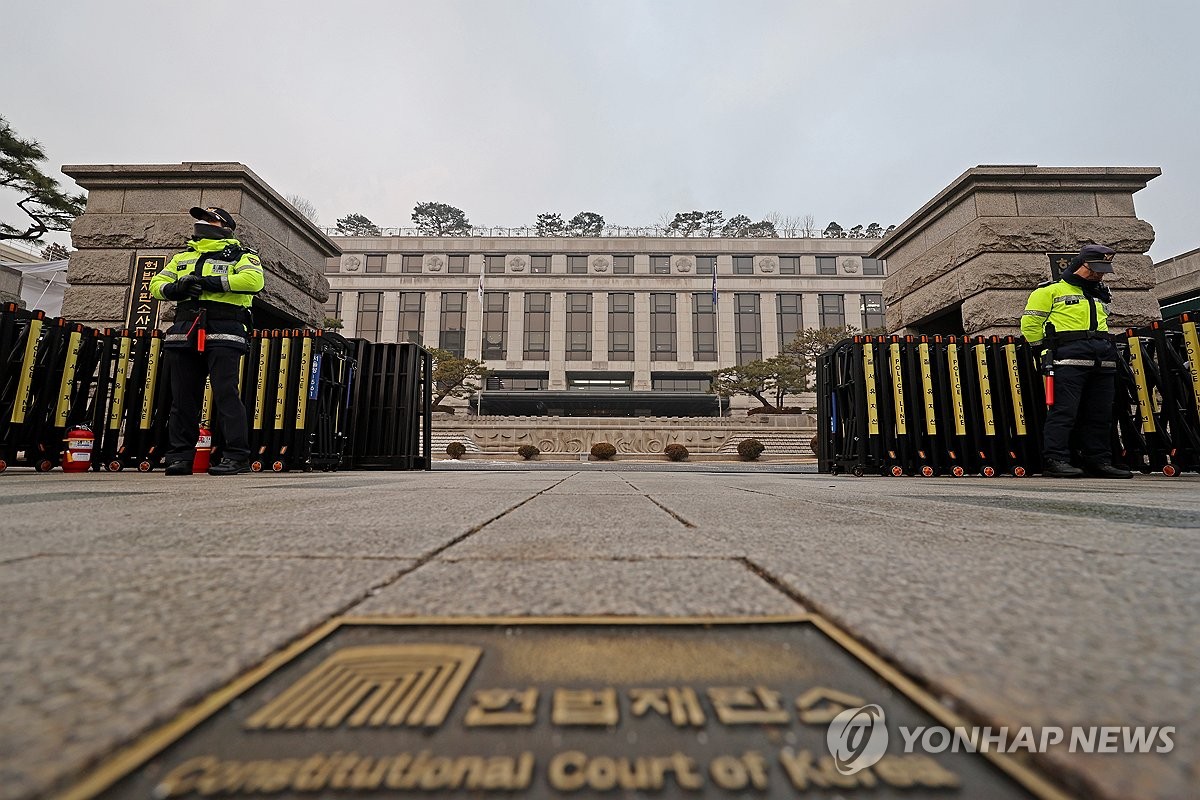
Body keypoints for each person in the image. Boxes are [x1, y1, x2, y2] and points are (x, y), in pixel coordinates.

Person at [150, 207, 265, 475]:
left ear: (225, 226)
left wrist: (211, 282)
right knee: (182, 397)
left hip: (225, 330)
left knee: (226, 394)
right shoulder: (182, 257)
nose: (202, 223)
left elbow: (253, 280)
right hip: (185, 330)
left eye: (209, 219)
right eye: (199, 218)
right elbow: (156, 284)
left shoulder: (242, 255)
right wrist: (175, 288)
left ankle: (236, 456)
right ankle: (180, 456)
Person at [1020, 243, 1132, 479]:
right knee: (1064, 412)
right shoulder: (1049, 291)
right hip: (1066, 361)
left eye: (1103, 269)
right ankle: (1055, 459)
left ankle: (1098, 460)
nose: (1099, 273)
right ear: (1079, 265)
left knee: (1101, 414)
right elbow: (1030, 325)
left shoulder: (1100, 293)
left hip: (1102, 361)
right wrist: (1044, 350)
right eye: (1094, 268)